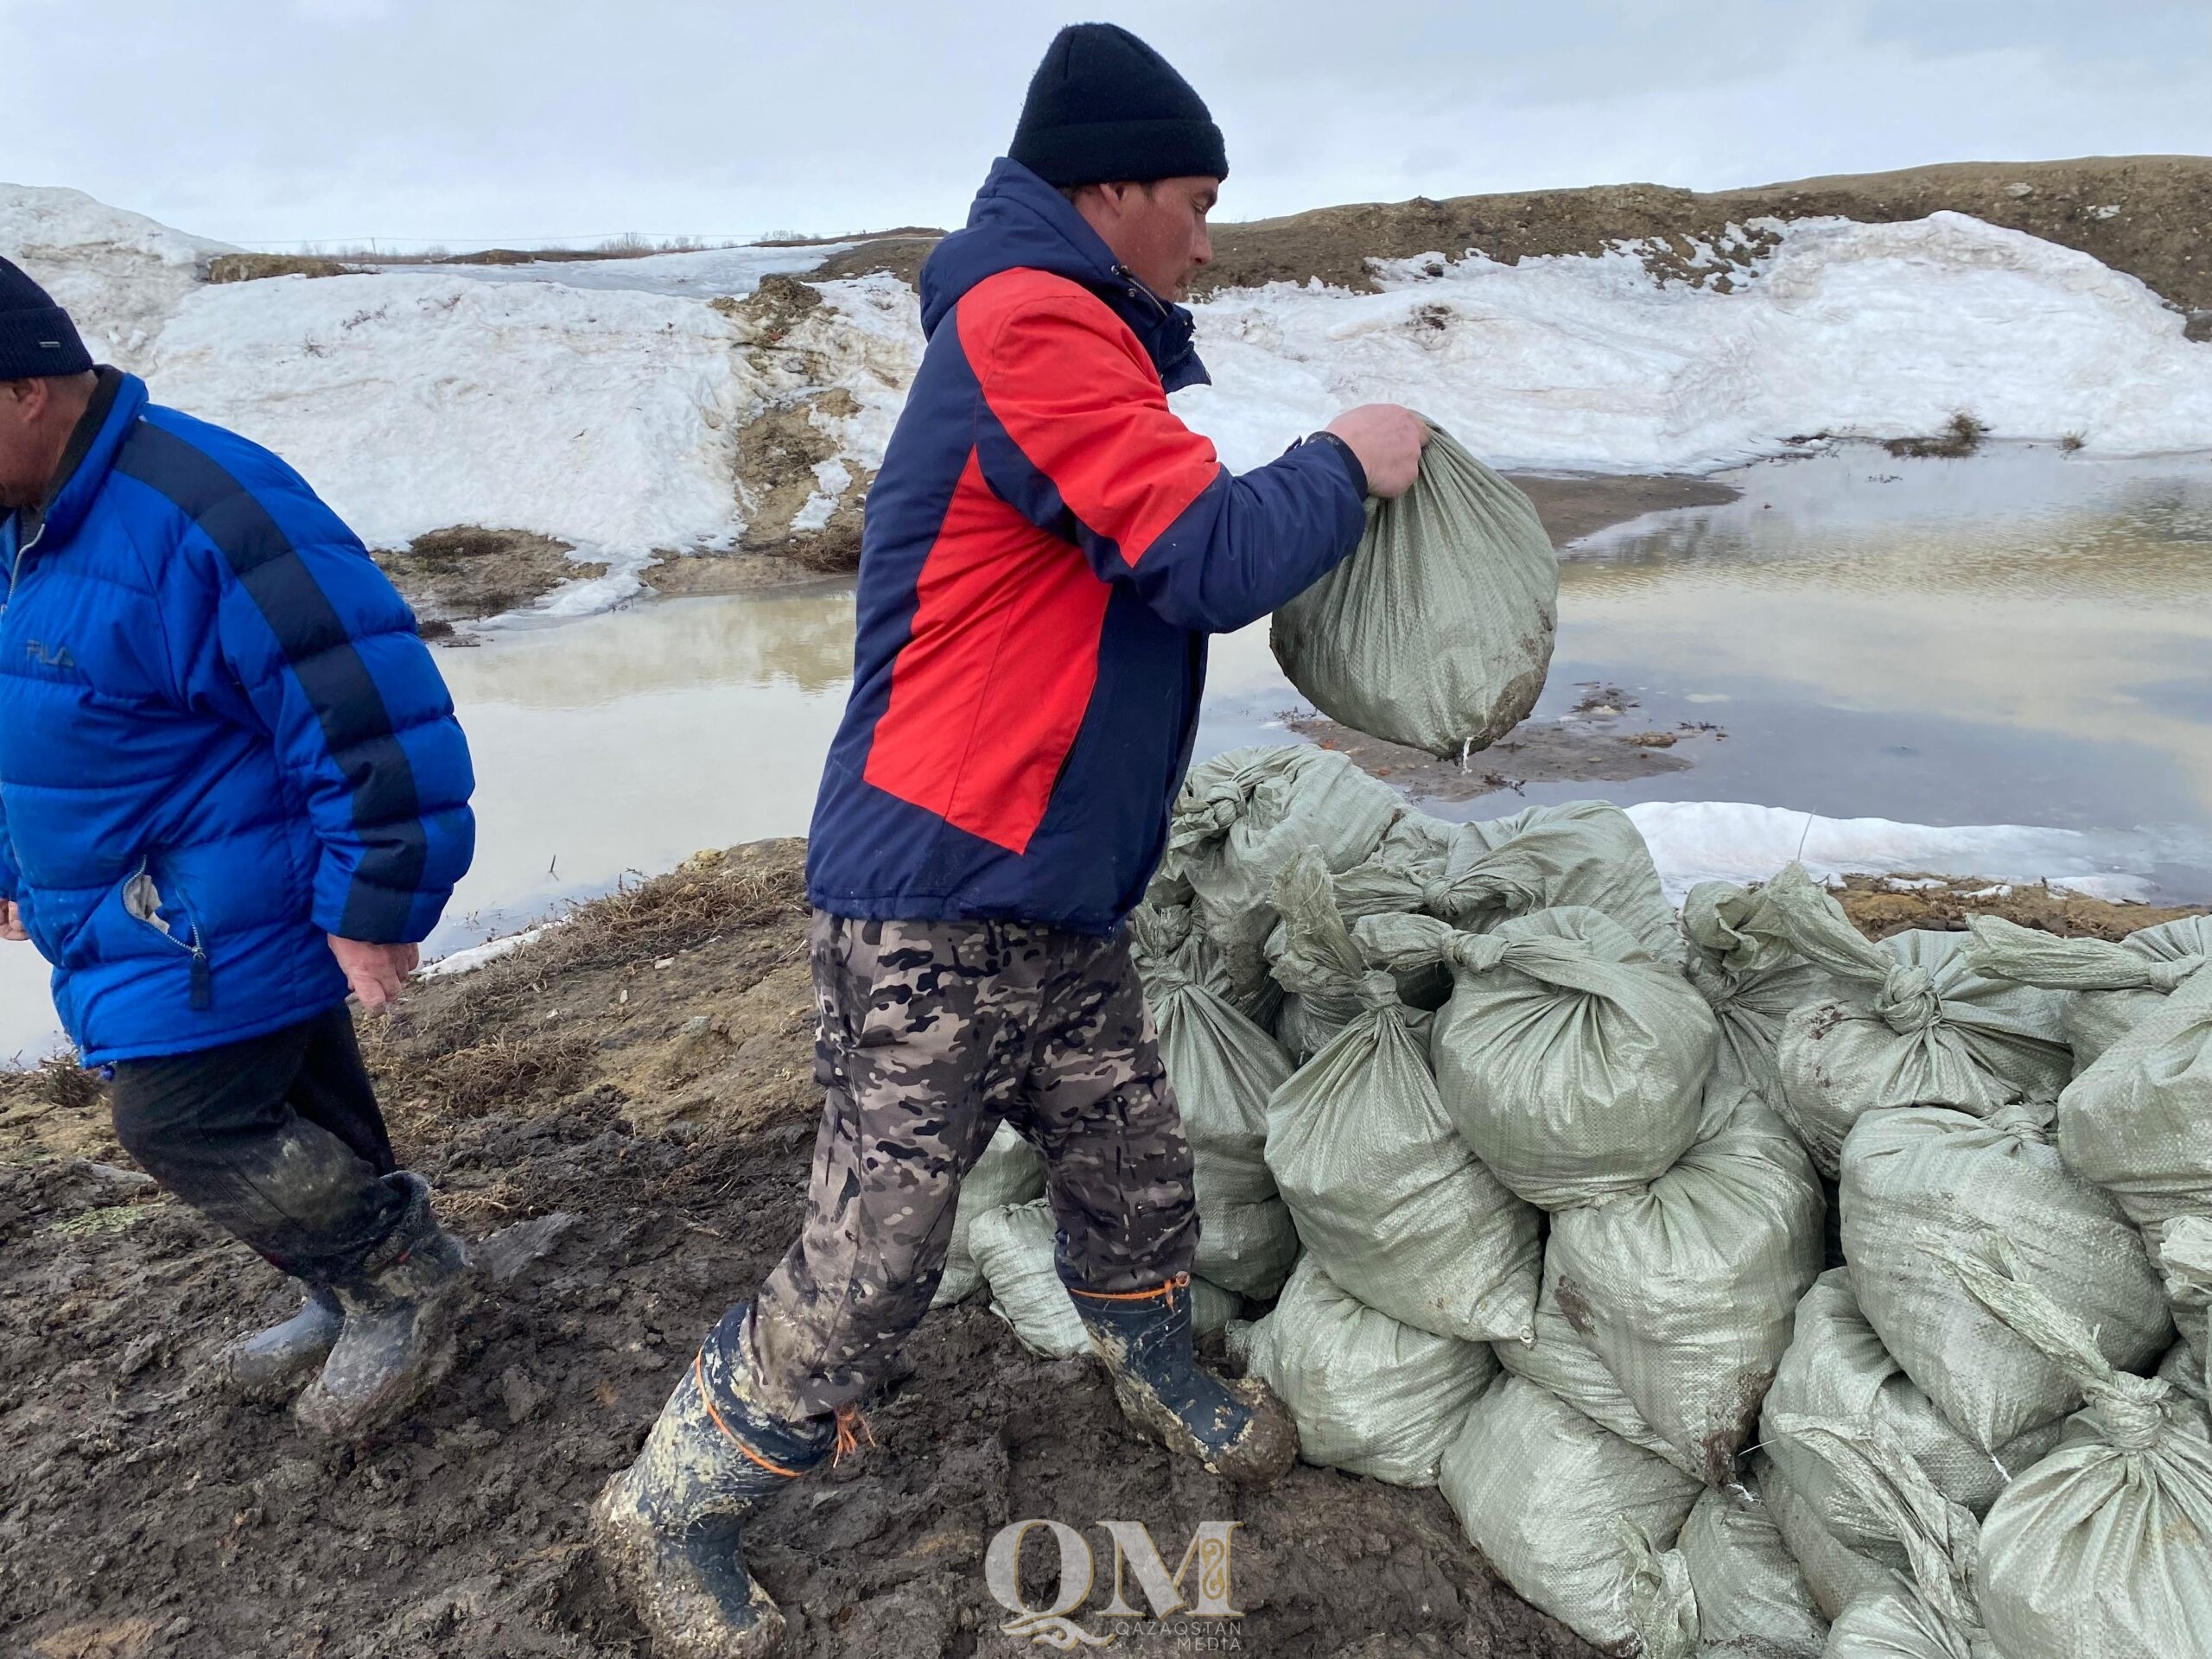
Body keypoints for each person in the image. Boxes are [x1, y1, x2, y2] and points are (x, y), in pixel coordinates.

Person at [592, 22, 1428, 1656]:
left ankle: (1147, 1349)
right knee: (885, 1236)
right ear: (1105, 187)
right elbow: (1195, 553)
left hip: (1046, 883)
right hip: (935, 888)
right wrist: (1345, 462)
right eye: (1191, 199)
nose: (1206, 235)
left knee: (1128, 1153)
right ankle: (673, 1503)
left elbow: (1138, 562)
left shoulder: (1078, 328)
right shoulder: (1027, 320)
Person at [0, 255, 479, 1437]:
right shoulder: (22, 519)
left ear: (23, 391)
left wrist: (378, 895)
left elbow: (364, 697)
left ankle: (401, 1280)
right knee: (300, 1090)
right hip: (144, 900)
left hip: (222, 901)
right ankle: (343, 1283)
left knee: (185, 1118)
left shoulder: (206, 505)